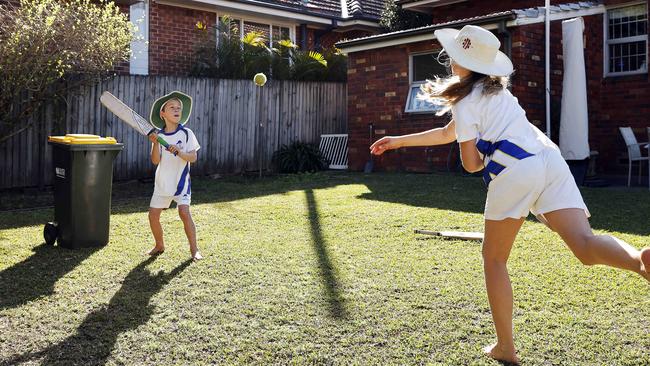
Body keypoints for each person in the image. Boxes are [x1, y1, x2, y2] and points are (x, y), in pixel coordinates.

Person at [370, 25, 649, 364]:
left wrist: (470, 153)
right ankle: (639, 262)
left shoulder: (464, 101)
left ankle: (505, 347)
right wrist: (400, 141)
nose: (451, 62)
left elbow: (471, 164)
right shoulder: (499, 93)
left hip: (515, 168)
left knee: (494, 259)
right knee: (586, 246)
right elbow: (449, 132)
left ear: (463, 62)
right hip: (547, 158)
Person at [146, 91, 203, 261]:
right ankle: (159, 245)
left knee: (184, 212)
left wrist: (179, 152)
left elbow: (193, 158)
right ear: (162, 113)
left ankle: (194, 250)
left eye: (179, 108)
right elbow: (155, 161)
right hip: (162, 183)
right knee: (153, 215)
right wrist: (155, 144)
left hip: (181, 183)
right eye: (172, 107)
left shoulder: (186, 134)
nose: (177, 110)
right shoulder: (159, 136)